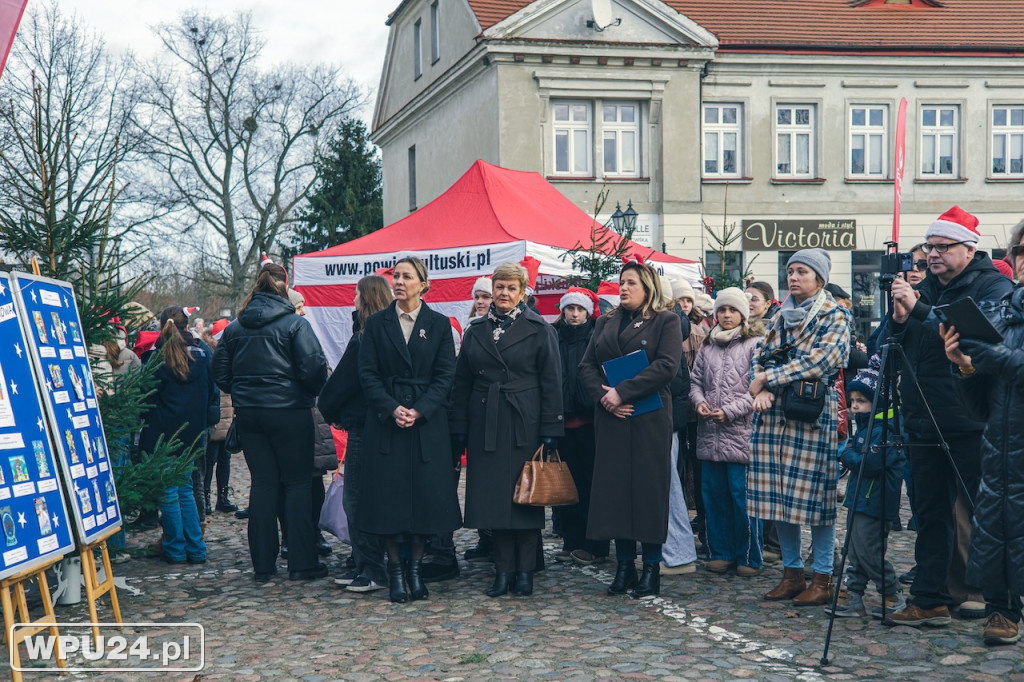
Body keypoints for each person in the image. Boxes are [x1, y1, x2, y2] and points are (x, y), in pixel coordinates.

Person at [883, 206, 1014, 628]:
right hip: (922, 416)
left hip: (972, 419)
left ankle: (1001, 608)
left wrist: (917, 310)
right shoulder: (929, 289)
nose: (933, 256)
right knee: (930, 514)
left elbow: (975, 332)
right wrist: (900, 320)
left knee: (989, 518)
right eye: (929, 250)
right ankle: (929, 598)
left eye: (942, 247)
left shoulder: (994, 284)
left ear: (969, 248)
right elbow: (899, 343)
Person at [451, 262, 563, 598]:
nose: (503, 293)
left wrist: (551, 428)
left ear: (523, 292)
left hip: (523, 422)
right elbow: (462, 382)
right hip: (486, 421)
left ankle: (525, 571)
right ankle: (502, 571)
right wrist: (458, 425)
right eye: (499, 287)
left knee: (526, 498)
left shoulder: (540, 329)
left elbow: (552, 382)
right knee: (494, 500)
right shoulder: (476, 331)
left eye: (510, 288)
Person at [213, 262, 329, 582]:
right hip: (290, 412)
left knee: (263, 484)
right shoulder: (294, 324)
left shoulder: (235, 328)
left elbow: (220, 372)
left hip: (251, 414)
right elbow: (314, 367)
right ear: (284, 287)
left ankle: (263, 565)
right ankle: (302, 563)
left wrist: (243, 391)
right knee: (297, 485)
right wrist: (302, 392)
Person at [748, 248, 851, 606]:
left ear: (819, 278)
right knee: (779, 498)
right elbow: (758, 354)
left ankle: (821, 578)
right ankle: (791, 574)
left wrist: (767, 379)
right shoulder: (779, 316)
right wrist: (758, 388)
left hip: (811, 414)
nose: (793, 277)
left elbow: (823, 359)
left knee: (819, 501)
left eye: (802, 271)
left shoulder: (835, 315)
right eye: (790, 271)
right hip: (775, 415)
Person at [359, 257, 462, 603]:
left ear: (423, 283)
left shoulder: (437, 324)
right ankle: (396, 574)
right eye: (396, 276)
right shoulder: (376, 324)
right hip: (387, 424)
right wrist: (391, 408)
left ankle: (417, 572)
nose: (399, 281)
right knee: (389, 500)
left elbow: (446, 375)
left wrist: (420, 409)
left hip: (426, 425)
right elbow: (367, 374)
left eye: (407, 276)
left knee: (423, 501)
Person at [940, 220, 1024, 645]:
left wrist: (995, 356)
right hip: (1002, 443)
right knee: (999, 527)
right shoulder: (1004, 313)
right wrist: (966, 365)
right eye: (1021, 251)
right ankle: (1002, 611)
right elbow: (978, 405)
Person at [579, 258, 682, 598]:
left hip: (648, 417)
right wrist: (604, 397)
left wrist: (623, 391)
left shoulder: (665, 320)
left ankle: (650, 569)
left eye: (631, 283)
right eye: (621, 282)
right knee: (616, 493)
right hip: (612, 418)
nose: (623, 287)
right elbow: (587, 366)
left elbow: (666, 366)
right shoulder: (605, 322)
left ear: (648, 287)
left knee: (648, 492)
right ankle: (624, 566)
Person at [317, 275, 392, 594]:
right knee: (364, 498)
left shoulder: (365, 337)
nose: (352, 300)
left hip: (364, 425)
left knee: (357, 499)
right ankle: (364, 564)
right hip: (375, 424)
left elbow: (344, 382)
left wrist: (330, 408)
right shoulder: (383, 334)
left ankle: (371, 568)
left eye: (356, 295)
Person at [825, 357, 907, 619]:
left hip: (875, 502)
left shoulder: (886, 431)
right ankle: (854, 592)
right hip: (858, 498)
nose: (854, 407)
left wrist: (848, 456)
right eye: (852, 401)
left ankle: (891, 590)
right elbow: (854, 454)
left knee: (869, 550)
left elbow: (870, 463)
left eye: (860, 401)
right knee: (853, 548)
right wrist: (851, 454)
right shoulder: (863, 428)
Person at [689, 287, 763, 577]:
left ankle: (748, 555)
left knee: (741, 497)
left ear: (743, 313)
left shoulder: (755, 344)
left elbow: (758, 388)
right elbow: (695, 382)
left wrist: (730, 411)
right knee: (714, 496)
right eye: (722, 310)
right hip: (710, 433)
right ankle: (721, 552)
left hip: (740, 434)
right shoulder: (708, 347)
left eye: (732, 310)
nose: (727, 315)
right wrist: (700, 403)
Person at [139, 306, 217, 565]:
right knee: (184, 489)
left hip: (163, 435)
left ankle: (175, 548)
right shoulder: (202, 356)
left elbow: (146, 398)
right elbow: (210, 394)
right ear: (187, 326)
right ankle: (196, 548)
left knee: (169, 492)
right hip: (192, 432)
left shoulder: (157, 359)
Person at [551, 287, 608, 566]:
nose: (574, 314)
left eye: (580, 309)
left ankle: (595, 543)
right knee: (565, 486)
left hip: (590, 422)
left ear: (588, 311)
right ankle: (571, 540)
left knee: (591, 485)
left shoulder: (597, 336)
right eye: (570, 309)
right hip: (563, 422)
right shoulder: (553, 336)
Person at [669, 277, 707, 549]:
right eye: (679, 299)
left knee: (692, 464)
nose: (684, 304)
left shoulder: (697, 331)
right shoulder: (673, 327)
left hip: (694, 409)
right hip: (682, 407)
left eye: (688, 300)